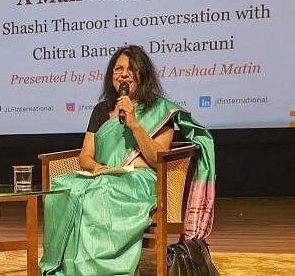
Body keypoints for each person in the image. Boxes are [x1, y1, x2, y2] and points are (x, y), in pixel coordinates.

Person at [39, 45, 216, 276]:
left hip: (140, 181)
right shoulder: (102, 109)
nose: (123, 74)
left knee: (98, 190)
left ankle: (102, 269)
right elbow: (85, 157)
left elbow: (156, 158)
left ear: (143, 74)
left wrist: (133, 123)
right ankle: (70, 266)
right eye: (118, 68)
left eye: (130, 69)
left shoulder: (159, 109)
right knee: (65, 186)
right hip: (105, 176)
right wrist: (98, 167)